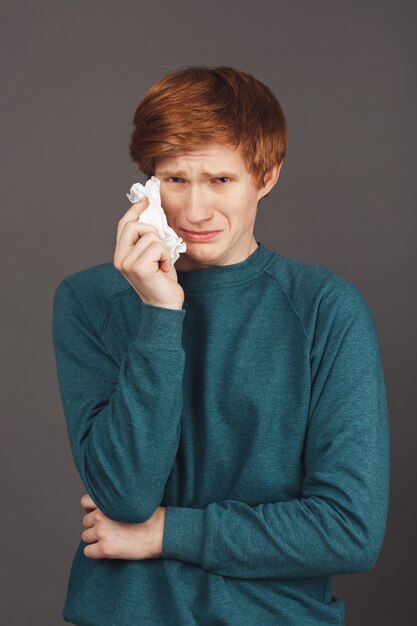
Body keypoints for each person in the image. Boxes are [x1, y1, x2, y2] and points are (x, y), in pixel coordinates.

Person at [52, 65, 390, 626]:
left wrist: (166, 533)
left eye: (221, 181)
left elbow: (349, 530)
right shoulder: (91, 300)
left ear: (267, 175)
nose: (195, 211)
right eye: (175, 180)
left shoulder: (326, 309)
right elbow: (125, 497)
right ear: (147, 182)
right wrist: (161, 313)